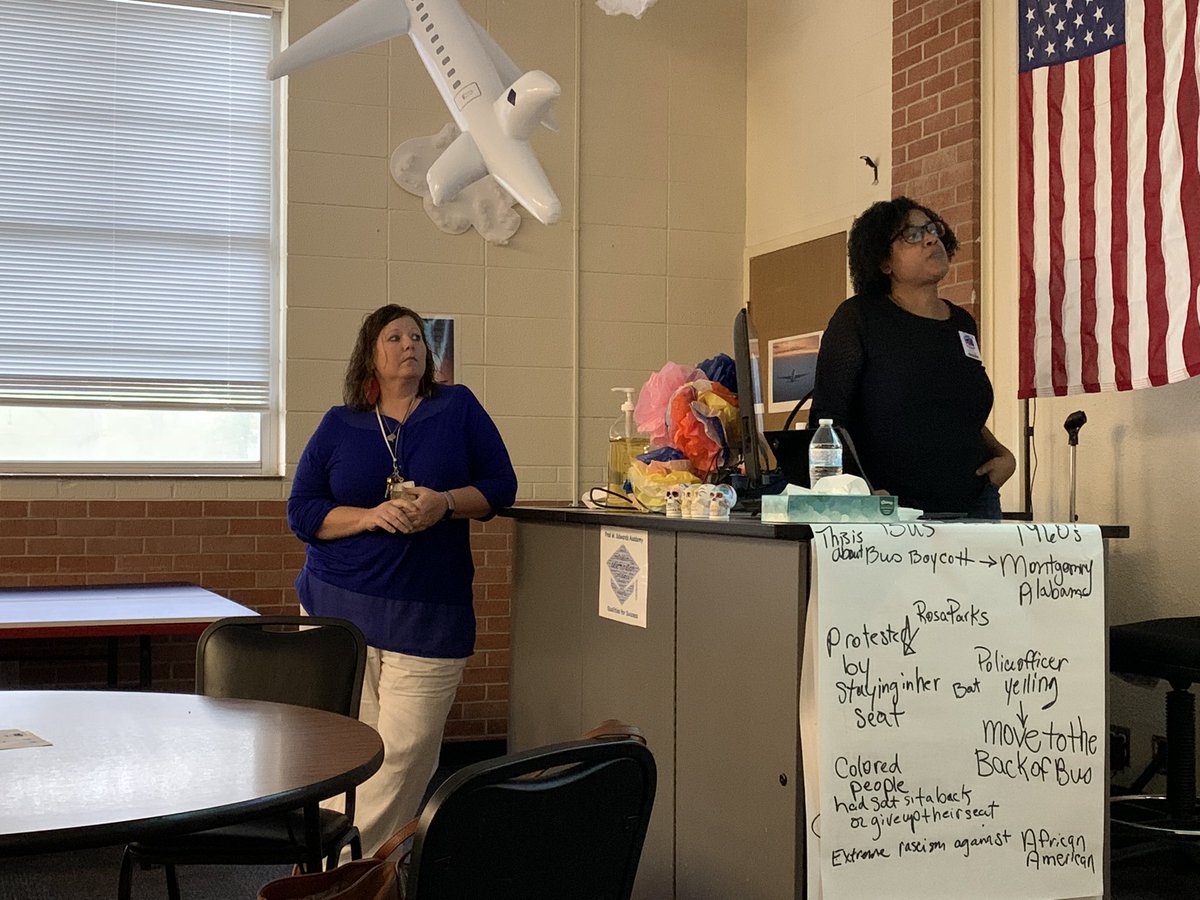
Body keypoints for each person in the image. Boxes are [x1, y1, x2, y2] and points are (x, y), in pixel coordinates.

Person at [288, 304, 517, 854]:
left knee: (404, 754)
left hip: (428, 612)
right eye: (394, 337)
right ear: (371, 352)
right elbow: (302, 511)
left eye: (416, 337)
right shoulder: (339, 422)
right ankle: (344, 874)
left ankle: (345, 871)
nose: (409, 344)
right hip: (336, 612)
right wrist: (367, 516)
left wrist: (445, 503)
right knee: (342, 751)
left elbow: (501, 486)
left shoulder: (457, 407)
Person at [809, 196, 1015, 517]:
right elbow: (829, 418)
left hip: (974, 504)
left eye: (931, 229)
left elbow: (956, 410)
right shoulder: (859, 317)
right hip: (892, 509)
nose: (931, 239)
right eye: (912, 235)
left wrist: (1003, 455)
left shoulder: (961, 322)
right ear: (884, 262)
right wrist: (858, 490)